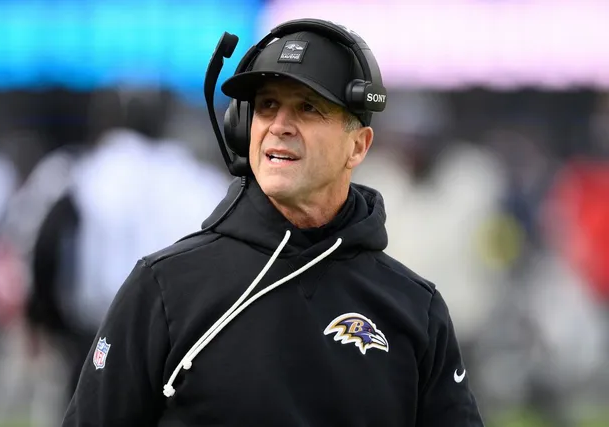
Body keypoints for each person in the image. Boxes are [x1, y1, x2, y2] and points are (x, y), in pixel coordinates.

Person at [62, 19, 484, 427]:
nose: (280, 126)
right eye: (267, 106)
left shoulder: (415, 309)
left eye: (307, 108)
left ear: (358, 146)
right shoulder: (163, 288)